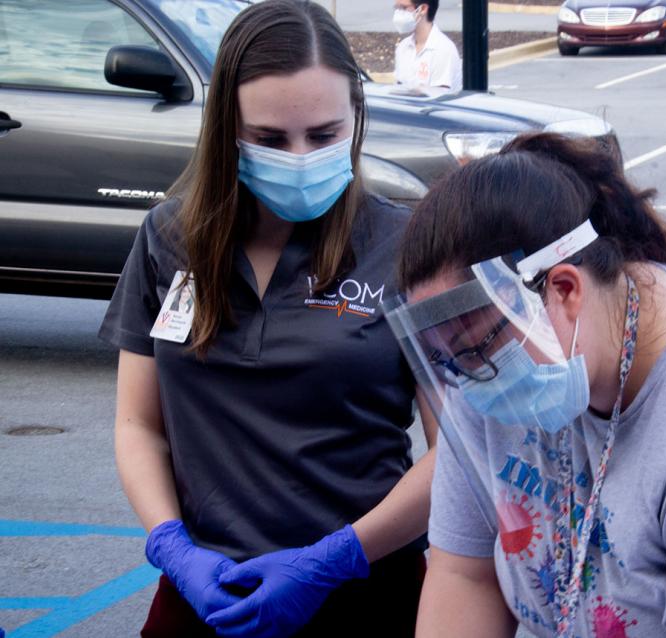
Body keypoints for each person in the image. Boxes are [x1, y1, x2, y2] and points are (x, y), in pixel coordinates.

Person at [385, 132, 666, 637]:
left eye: (473, 350)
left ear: (563, 290)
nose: (468, 380)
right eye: (444, 358)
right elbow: (465, 574)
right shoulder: (498, 356)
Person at [98, 2, 437, 636]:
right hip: (207, 596)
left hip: (369, 592)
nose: (302, 158)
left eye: (326, 133)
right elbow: (138, 424)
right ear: (225, 127)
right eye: (271, 139)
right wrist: (173, 549)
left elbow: (458, 453)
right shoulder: (166, 238)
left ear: (357, 119)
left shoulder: (413, 245)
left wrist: (334, 561)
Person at [392, 0, 462, 92]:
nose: (398, 13)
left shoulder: (443, 50)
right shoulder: (403, 47)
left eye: (403, 8)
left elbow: (439, 97)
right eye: (397, 8)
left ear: (423, 9)